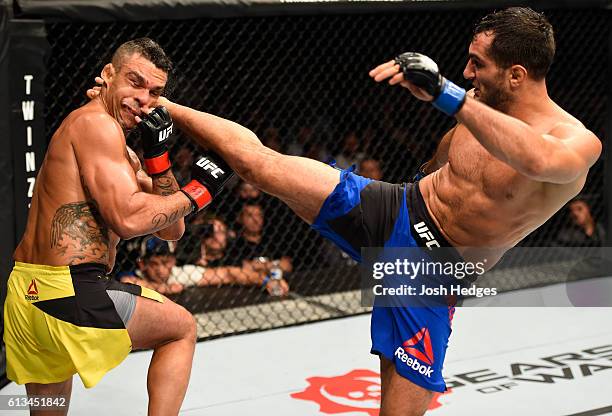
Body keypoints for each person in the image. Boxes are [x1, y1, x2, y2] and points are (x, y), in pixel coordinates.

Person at [88, 8, 601, 414]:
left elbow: (537, 160)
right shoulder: (476, 107)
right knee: (264, 165)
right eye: (465, 63)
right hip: (398, 206)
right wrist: (152, 104)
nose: (466, 71)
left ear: (516, 73)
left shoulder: (572, 141)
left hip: (430, 267)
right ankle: (164, 106)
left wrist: (443, 93)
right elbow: (443, 167)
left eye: (477, 63)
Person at [5, 38, 234, 416]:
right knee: (181, 328)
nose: (144, 98)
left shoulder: (121, 150)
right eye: (135, 82)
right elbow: (127, 220)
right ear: (108, 74)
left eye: (155, 92)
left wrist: (158, 160)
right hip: (70, 291)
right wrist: (199, 192)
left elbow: (171, 230)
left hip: (28, 296)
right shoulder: (96, 124)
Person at [121, 236, 289, 296]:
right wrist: (166, 289)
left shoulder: (181, 273)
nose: (160, 269)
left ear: (173, 261)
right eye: (154, 264)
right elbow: (128, 283)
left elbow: (227, 273)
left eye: (165, 262)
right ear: (142, 264)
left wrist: (266, 280)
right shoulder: (131, 275)